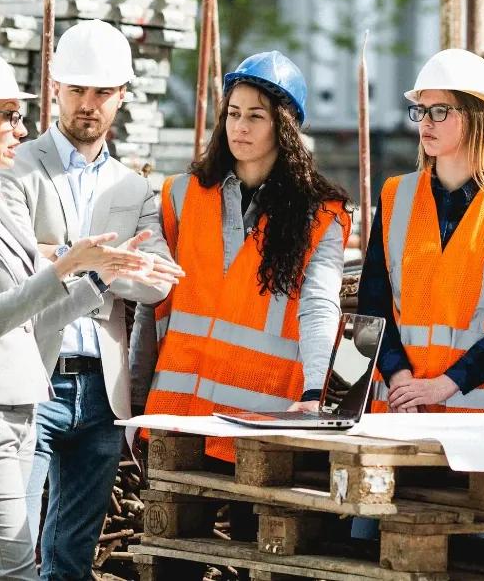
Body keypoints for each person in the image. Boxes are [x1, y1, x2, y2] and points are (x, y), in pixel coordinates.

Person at [0, 48, 149, 580]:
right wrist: (65, 266)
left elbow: (34, 303)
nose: (21, 128)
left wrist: (98, 274)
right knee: (13, 571)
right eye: (9, 116)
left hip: (15, 408)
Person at [0, 20, 183, 580]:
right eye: (78, 90)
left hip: (103, 392)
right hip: (32, 379)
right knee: (14, 547)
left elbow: (158, 281)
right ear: (55, 88)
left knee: (72, 556)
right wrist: (96, 261)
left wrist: (67, 259)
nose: (88, 104)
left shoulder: (133, 187)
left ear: (123, 95)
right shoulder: (16, 168)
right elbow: (6, 268)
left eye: (102, 92)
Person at [136, 50, 350, 462]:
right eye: (233, 114)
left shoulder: (320, 214)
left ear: (283, 126)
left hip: (260, 421)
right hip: (179, 417)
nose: (240, 127)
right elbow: (153, 306)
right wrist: (134, 393)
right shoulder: (181, 195)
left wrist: (313, 390)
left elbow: (320, 306)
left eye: (255, 116)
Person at [358, 48, 484, 412]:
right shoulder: (395, 195)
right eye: (420, 110)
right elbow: (372, 305)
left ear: (477, 116)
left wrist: (446, 385)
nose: (425, 123)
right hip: (398, 413)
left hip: (476, 422)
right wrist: (398, 375)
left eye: (440, 111)